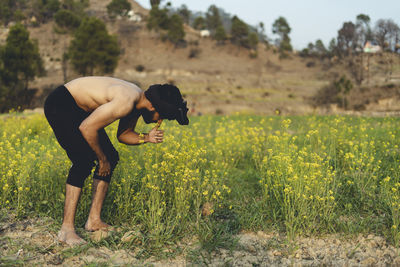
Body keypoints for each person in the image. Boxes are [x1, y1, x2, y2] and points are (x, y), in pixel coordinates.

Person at [44, 76, 189, 245]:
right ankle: (66, 230)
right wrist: (101, 158)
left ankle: (94, 220)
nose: (159, 121)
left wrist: (146, 138)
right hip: (61, 103)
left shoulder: (137, 102)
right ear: (152, 106)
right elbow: (87, 127)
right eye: (161, 115)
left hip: (78, 110)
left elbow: (123, 135)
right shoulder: (126, 101)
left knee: (111, 158)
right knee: (83, 161)